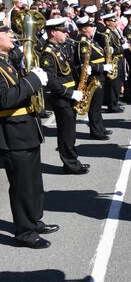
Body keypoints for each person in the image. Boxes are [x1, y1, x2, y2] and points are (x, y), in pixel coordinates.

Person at [0, 23, 59, 249]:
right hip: (12, 135)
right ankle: (25, 232)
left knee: (34, 182)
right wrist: (32, 80)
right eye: (6, 33)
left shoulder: (8, 61)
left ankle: (34, 221)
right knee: (22, 186)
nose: (11, 35)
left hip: (26, 130)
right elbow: (4, 99)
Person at [40, 17, 89, 174]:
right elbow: (50, 81)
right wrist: (70, 93)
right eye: (63, 31)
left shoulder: (60, 48)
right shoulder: (48, 53)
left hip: (69, 95)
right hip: (62, 98)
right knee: (66, 133)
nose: (66, 34)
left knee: (70, 132)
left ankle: (73, 160)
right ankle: (70, 165)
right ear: (53, 32)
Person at [74, 16, 113, 140]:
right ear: (84, 29)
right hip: (92, 77)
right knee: (94, 107)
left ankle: (100, 128)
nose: (93, 28)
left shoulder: (90, 40)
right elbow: (84, 63)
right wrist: (102, 68)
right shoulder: (82, 42)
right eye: (90, 26)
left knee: (97, 105)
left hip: (98, 75)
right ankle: (96, 132)